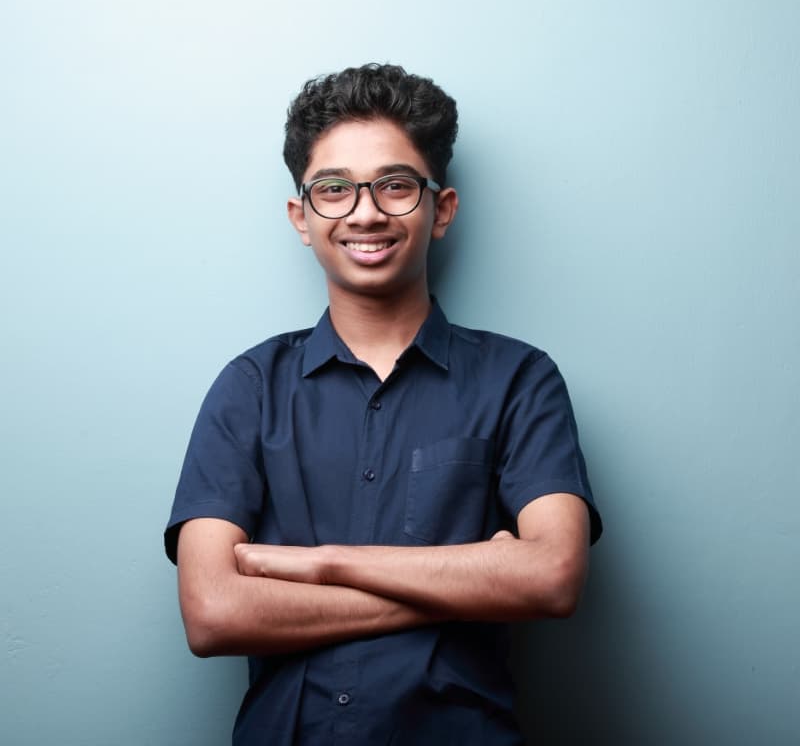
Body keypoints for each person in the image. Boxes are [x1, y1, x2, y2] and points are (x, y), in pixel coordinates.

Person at [164, 63, 602, 745]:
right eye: (333, 189)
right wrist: (465, 581)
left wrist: (321, 563)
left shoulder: (520, 379)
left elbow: (551, 576)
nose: (365, 212)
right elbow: (213, 612)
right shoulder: (249, 386)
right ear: (301, 217)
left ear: (442, 208)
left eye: (395, 186)